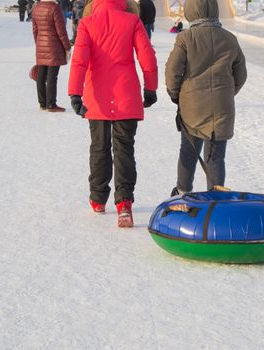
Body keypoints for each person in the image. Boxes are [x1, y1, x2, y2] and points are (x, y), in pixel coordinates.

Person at [68, 0, 158, 228]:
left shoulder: (87, 23)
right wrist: (150, 88)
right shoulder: (132, 20)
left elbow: (79, 61)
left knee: (99, 146)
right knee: (124, 147)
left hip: (96, 95)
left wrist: (75, 94)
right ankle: (124, 203)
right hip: (125, 93)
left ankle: (98, 198)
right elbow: (147, 57)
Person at [165, 0, 247, 196]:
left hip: (192, 106)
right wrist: (226, 93)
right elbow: (241, 74)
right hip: (222, 107)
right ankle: (216, 196)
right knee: (216, 156)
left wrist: (177, 95)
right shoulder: (229, 39)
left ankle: (183, 191)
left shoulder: (185, 38)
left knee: (189, 150)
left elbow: (172, 73)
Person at [32, 0, 71, 111]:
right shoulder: (55, 7)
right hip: (54, 46)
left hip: (41, 44)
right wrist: (67, 47)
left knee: (41, 75)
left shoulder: (36, 7)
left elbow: (35, 30)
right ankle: (51, 104)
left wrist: (38, 43)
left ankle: (42, 102)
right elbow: (61, 31)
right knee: (52, 76)